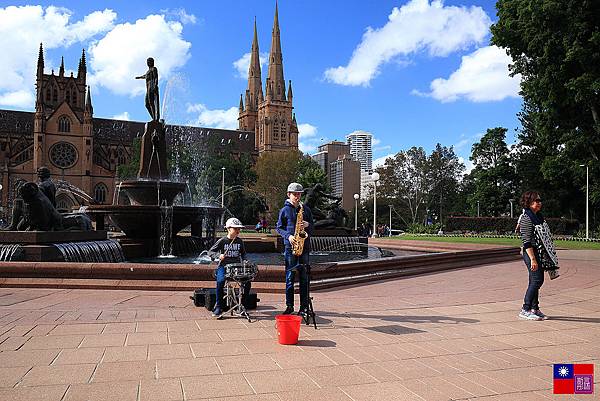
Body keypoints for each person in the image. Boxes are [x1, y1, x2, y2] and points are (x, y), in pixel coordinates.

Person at [276, 182, 314, 315]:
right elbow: (279, 228)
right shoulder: (284, 210)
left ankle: (304, 307)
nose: (297, 197)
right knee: (289, 277)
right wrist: (289, 236)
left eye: (299, 194)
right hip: (290, 247)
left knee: (304, 278)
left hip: (304, 246)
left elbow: (313, 228)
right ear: (289, 195)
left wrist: (308, 225)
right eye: (295, 194)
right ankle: (289, 306)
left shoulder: (306, 209)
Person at [207, 217, 250, 319]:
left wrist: (245, 260)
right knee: (220, 281)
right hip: (223, 266)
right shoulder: (222, 241)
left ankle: (242, 305)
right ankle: (218, 306)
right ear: (229, 229)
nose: (238, 231)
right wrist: (218, 256)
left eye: (239, 229)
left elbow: (243, 254)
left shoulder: (240, 242)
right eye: (236, 229)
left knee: (248, 282)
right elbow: (210, 252)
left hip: (237, 267)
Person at [518, 191, 548, 321]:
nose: (539, 203)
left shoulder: (538, 217)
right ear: (529, 203)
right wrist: (533, 259)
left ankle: (534, 308)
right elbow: (526, 241)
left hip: (538, 252)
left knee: (534, 281)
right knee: (537, 280)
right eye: (537, 201)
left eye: (540, 200)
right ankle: (525, 309)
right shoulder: (526, 218)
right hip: (530, 252)